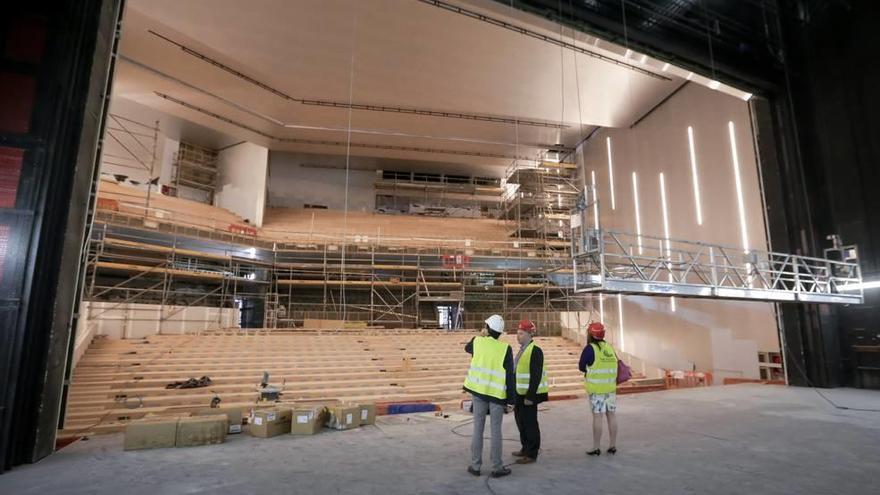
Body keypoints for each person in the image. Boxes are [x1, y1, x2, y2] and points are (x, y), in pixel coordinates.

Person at [463, 314, 516, 478]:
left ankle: (475, 466)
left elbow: (467, 348)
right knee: (496, 431)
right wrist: (511, 400)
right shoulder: (505, 349)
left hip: (479, 393)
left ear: (487, 328)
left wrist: (481, 335)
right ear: (500, 332)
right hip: (497, 396)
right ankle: (497, 467)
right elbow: (510, 376)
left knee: (477, 429)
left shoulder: (477, 342)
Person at [578, 321, 619, 456]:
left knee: (598, 417)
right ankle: (612, 445)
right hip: (610, 389)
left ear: (590, 334)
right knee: (611, 416)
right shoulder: (609, 348)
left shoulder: (590, 349)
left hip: (597, 390)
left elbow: (582, 366)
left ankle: (596, 447)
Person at [511, 319, 548, 465]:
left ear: (529, 334)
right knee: (520, 421)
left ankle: (532, 453)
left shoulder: (535, 350)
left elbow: (536, 375)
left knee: (530, 423)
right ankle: (524, 448)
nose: (517, 336)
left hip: (528, 395)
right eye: (517, 333)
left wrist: (530, 396)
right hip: (519, 393)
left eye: (521, 333)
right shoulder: (522, 350)